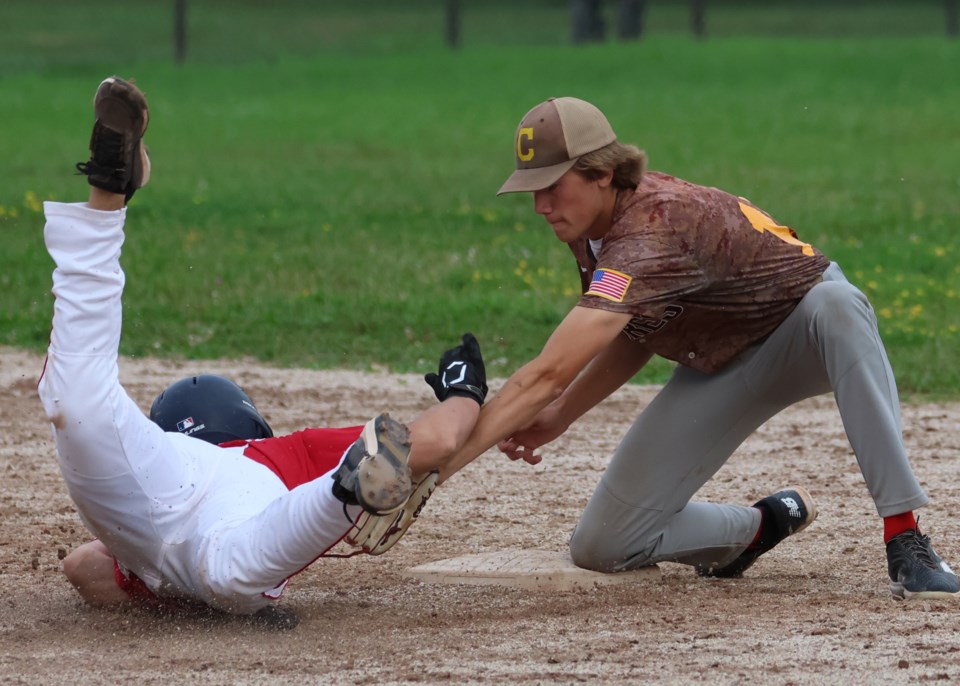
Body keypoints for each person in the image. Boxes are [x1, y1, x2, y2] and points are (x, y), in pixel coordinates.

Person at [437, 96, 958, 600]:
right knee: (604, 545)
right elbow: (633, 332)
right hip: (722, 362)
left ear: (600, 172)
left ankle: (905, 535)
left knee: (839, 305)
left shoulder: (653, 225)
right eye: (533, 189)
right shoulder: (592, 224)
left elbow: (547, 373)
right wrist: (562, 415)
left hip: (806, 332)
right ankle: (753, 530)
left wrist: (438, 467)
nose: (539, 205)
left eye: (551, 185)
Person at [42, 76, 488, 620]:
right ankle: (343, 490)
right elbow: (439, 440)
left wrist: (147, 567)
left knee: (82, 406)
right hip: (246, 505)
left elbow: (84, 568)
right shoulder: (283, 452)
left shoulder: (160, 460)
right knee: (233, 571)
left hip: (155, 483)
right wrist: (464, 393)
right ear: (250, 425)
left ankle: (106, 199)